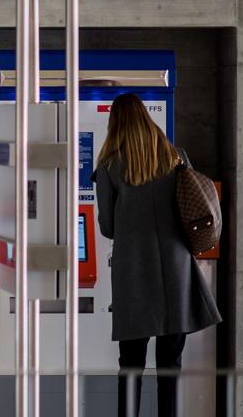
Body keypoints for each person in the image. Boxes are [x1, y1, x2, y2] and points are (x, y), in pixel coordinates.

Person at [93, 93, 221, 417]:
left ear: (116, 123)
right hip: (175, 274)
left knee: (131, 365)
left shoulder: (109, 166)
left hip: (134, 274)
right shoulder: (176, 158)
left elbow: (108, 226)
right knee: (170, 364)